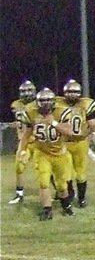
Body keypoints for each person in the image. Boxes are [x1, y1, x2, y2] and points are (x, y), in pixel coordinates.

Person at [17, 88, 74, 220]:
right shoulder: (31, 113)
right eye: (43, 100)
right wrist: (22, 150)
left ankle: (66, 206)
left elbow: (69, 132)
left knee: (62, 186)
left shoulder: (61, 112)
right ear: (37, 102)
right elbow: (26, 135)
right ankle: (47, 210)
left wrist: (53, 122)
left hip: (60, 154)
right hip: (42, 153)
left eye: (48, 100)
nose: (46, 103)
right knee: (43, 182)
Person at [58, 79, 95, 208]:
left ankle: (81, 198)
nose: (72, 94)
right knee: (66, 172)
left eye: (75, 92)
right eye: (70, 92)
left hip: (80, 142)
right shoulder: (57, 104)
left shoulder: (85, 105)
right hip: (64, 143)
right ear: (65, 92)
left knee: (81, 173)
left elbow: (93, 123)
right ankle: (70, 195)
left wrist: (93, 135)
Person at [8, 80, 36, 204]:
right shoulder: (15, 104)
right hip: (24, 142)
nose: (26, 93)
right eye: (24, 91)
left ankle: (59, 191)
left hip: (39, 141)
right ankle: (19, 194)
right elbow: (21, 122)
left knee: (47, 169)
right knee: (19, 167)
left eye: (29, 90)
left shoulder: (39, 104)